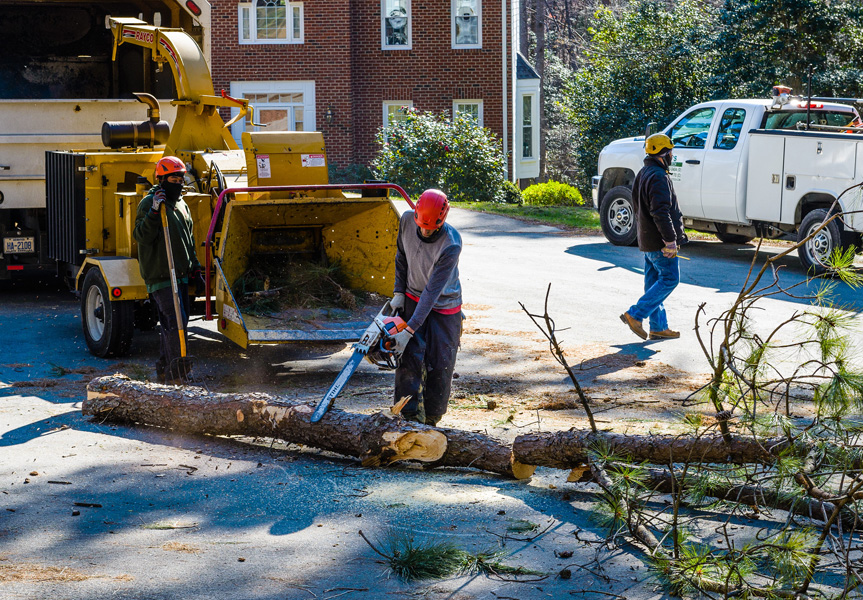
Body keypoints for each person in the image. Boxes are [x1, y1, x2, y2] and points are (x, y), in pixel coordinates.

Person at [389, 189, 463, 426]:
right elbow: (401, 256)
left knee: (440, 363)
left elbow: (432, 292)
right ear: (416, 214)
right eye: (422, 227)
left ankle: (431, 418)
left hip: (444, 305)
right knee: (408, 358)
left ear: (442, 220)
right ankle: (408, 415)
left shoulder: (451, 244)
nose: (425, 232)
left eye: (431, 229)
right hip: (412, 295)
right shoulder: (406, 221)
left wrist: (409, 329)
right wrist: (399, 292)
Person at [133, 156, 204, 382]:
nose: (179, 184)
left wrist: (196, 269)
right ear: (161, 180)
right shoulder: (150, 203)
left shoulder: (181, 204)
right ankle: (178, 375)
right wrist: (154, 211)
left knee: (174, 325)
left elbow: (189, 241)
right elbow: (141, 236)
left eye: (181, 180)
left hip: (180, 276)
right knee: (176, 324)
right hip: (161, 276)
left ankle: (165, 371)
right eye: (174, 180)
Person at [620, 133, 686, 341]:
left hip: (647, 240)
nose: (672, 156)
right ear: (663, 154)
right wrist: (670, 240)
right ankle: (635, 314)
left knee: (653, 283)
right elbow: (660, 212)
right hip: (659, 242)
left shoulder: (643, 173)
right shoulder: (658, 177)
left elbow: (640, 208)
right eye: (670, 152)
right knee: (670, 279)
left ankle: (658, 327)